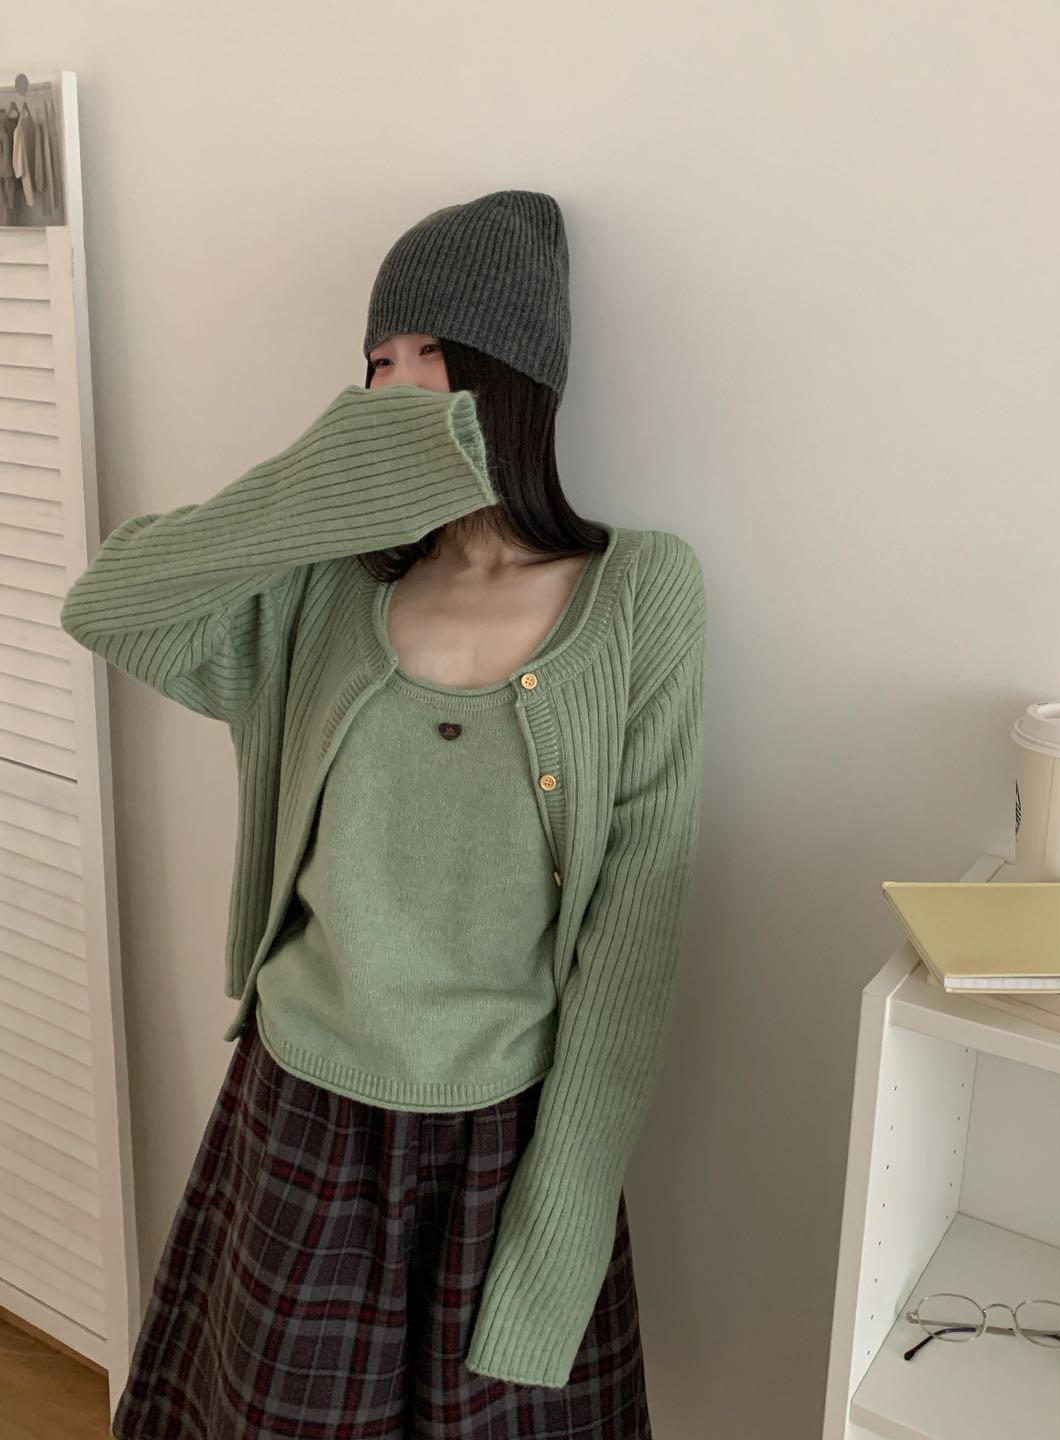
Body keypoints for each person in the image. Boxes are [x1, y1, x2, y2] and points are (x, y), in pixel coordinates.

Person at [63, 189, 707, 1438]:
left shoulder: (642, 594)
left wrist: (559, 1239)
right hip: (300, 1114)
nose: (395, 386)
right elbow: (111, 604)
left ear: (515, 378)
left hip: (505, 1140)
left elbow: (630, 953)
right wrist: (318, 490)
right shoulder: (320, 595)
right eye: (375, 361)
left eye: (432, 353)